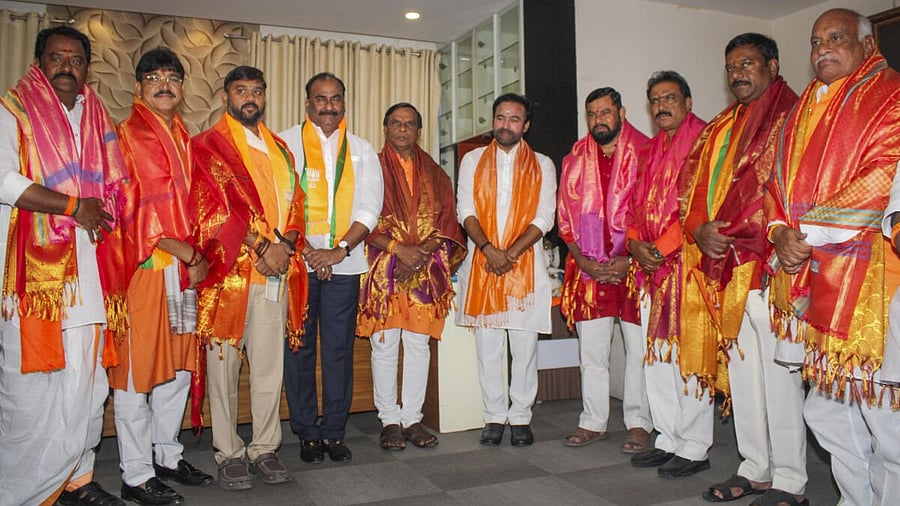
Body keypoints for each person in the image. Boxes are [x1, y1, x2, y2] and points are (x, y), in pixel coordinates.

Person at [767, 9, 900, 505]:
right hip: (810, 274)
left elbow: (883, 175)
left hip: (868, 282)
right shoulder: (802, 109)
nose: (822, 47)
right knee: (825, 411)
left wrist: (804, 233)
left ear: (867, 47)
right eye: (816, 40)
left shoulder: (889, 94)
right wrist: (780, 232)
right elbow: (773, 183)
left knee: (885, 421)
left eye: (836, 38)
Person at [0, 26, 129, 505]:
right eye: (56, 58)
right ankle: (19, 492)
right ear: (39, 61)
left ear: (87, 67)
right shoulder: (12, 111)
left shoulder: (97, 117)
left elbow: (115, 189)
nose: (66, 67)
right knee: (32, 389)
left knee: (89, 384)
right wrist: (75, 207)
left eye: (75, 60)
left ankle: (76, 478)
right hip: (34, 278)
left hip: (90, 273)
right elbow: (4, 180)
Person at [678, 33, 808, 504]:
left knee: (779, 377)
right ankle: (756, 468)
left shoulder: (793, 112)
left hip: (770, 265)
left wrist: (730, 233)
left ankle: (792, 479)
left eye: (748, 63)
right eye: (732, 65)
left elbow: (786, 190)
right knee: (747, 375)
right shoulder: (720, 126)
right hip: (726, 268)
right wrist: (698, 230)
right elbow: (689, 190)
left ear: (772, 67)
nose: (738, 73)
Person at [191, 65, 307, 491]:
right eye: (241, 91)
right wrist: (260, 247)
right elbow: (210, 211)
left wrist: (286, 245)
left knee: (268, 368)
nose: (250, 98)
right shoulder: (206, 146)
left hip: (275, 273)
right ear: (226, 97)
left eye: (257, 91)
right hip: (230, 277)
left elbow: (297, 203)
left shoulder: (280, 147)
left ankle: (264, 448)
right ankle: (229, 451)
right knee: (222, 370)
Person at [110, 47, 214, 505]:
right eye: (154, 77)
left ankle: (166, 456)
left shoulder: (183, 135)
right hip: (146, 271)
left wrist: (197, 256)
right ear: (138, 88)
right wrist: (188, 252)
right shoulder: (128, 135)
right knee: (136, 372)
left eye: (173, 76)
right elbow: (135, 211)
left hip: (183, 275)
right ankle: (134, 473)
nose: (165, 84)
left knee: (175, 367)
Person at [280, 72, 383, 464]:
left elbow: (370, 208)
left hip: (345, 264)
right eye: (320, 99)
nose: (328, 105)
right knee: (299, 349)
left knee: (339, 351)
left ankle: (335, 432)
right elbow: (280, 202)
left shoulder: (361, 148)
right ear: (307, 104)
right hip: (298, 264)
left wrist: (338, 250)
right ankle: (307, 432)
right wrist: (308, 250)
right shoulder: (286, 143)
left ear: (344, 103)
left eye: (335, 98)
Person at [358, 102, 466, 451]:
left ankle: (412, 418)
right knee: (385, 345)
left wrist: (420, 253)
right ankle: (389, 420)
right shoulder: (368, 168)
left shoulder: (436, 173)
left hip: (424, 268)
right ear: (385, 128)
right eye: (395, 123)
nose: (402, 129)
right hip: (382, 266)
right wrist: (396, 250)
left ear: (419, 131)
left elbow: (447, 219)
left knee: (418, 345)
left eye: (409, 124)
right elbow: (358, 218)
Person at [456, 93, 557, 447]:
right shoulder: (472, 160)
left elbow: (544, 217)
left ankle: (521, 416)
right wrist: (489, 250)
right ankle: (494, 416)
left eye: (514, 119)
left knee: (525, 347)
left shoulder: (543, 164)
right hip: (484, 263)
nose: (506, 125)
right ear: (493, 120)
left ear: (526, 125)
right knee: (488, 347)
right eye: (500, 117)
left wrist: (509, 254)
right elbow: (465, 210)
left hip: (524, 267)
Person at [557, 87, 653, 452]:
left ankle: (638, 423)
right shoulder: (576, 158)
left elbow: (653, 211)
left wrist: (629, 259)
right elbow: (564, 216)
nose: (598, 120)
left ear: (622, 113)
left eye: (605, 112)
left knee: (638, 352)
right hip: (589, 270)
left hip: (636, 268)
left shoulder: (645, 152)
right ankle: (593, 421)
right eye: (592, 114)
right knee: (592, 353)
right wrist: (584, 262)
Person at [626, 71, 709, 478]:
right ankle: (668, 438)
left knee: (687, 356)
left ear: (688, 102)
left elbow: (701, 206)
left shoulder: (705, 140)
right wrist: (634, 244)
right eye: (655, 99)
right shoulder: (648, 149)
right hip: (649, 271)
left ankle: (694, 446)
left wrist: (660, 248)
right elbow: (633, 207)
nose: (662, 105)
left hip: (689, 268)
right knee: (656, 358)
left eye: (670, 97)